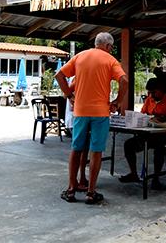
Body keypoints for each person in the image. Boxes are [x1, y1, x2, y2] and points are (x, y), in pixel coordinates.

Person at [55, 32, 127, 205]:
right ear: (108, 46)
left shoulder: (80, 56)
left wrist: (69, 96)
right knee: (96, 151)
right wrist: (117, 101)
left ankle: (71, 189)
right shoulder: (110, 60)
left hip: (80, 111)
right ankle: (90, 192)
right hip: (100, 113)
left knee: (76, 148)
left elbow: (59, 75)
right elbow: (124, 80)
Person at [119, 77, 166, 190]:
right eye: (149, 92)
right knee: (129, 144)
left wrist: (160, 118)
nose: (151, 94)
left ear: (161, 90)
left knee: (160, 149)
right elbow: (143, 114)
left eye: (153, 92)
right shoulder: (149, 100)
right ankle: (134, 174)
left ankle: (156, 179)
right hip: (148, 134)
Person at [63, 79, 89, 192]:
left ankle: (81, 178)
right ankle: (74, 182)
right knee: (79, 150)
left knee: (83, 150)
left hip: (79, 117)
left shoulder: (79, 76)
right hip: (77, 117)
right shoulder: (77, 77)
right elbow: (67, 95)